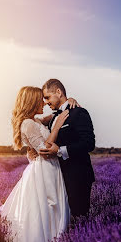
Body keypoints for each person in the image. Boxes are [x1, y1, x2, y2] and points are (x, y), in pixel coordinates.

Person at [0, 86, 79, 242]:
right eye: (40, 99)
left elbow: (52, 115)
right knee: (45, 210)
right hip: (44, 170)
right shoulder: (27, 123)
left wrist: (69, 102)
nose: (44, 102)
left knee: (53, 210)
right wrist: (57, 127)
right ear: (32, 102)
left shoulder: (33, 120)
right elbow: (44, 150)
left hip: (50, 169)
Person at [39, 79, 95, 218]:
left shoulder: (79, 113)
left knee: (79, 218)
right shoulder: (53, 118)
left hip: (77, 176)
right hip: (57, 177)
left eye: (47, 97)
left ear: (58, 92)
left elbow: (89, 143)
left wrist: (59, 150)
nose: (45, 102)